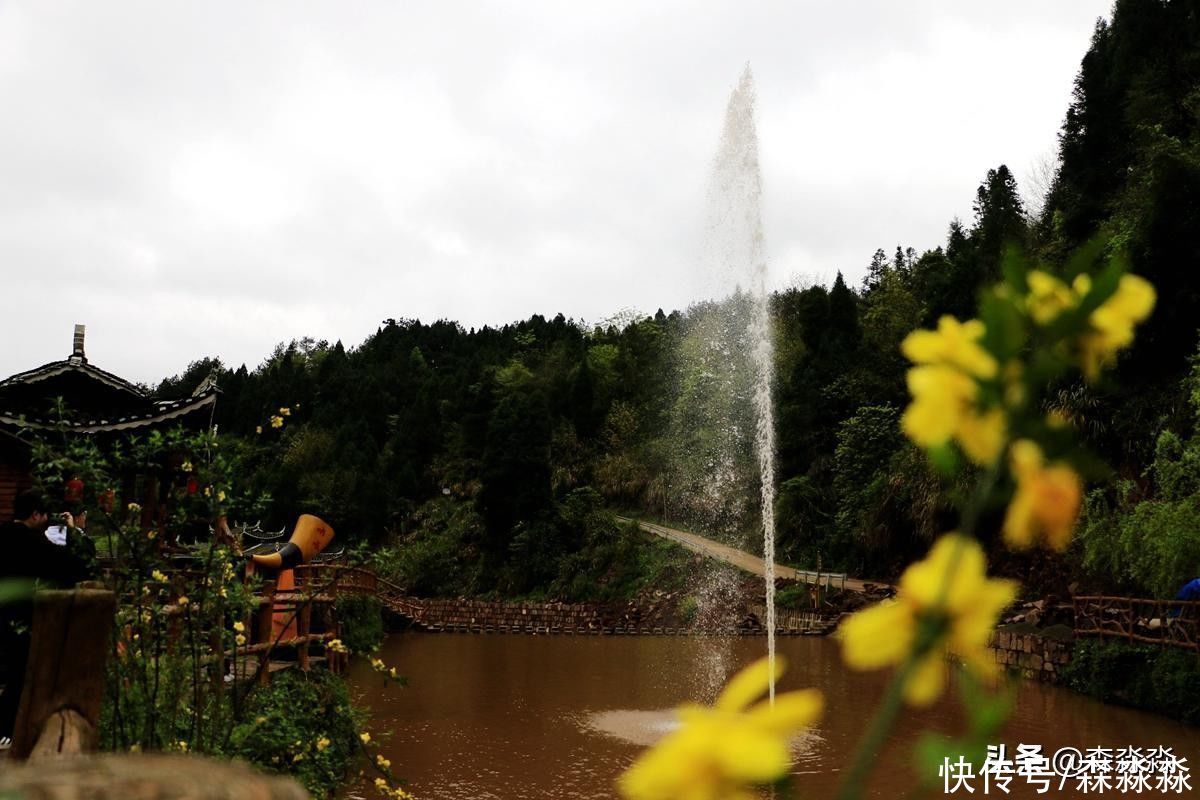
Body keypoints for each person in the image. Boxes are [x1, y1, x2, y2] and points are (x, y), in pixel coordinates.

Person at [0, 490, 91, 748]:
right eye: (44, 515)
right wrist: (73, 533)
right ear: (36, 514)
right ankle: (6, 729)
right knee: (21, 671)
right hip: (18, 614)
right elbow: (73, 567)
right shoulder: (32, 542)